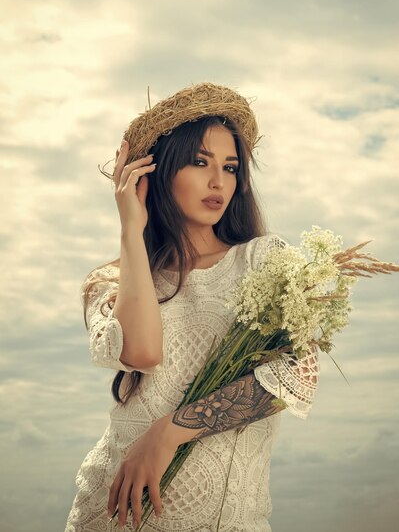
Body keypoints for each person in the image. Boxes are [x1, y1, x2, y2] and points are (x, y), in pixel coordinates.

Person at [64, 82, 320, 532]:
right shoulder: (108, 282)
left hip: (225, 519)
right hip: (113, 513)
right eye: (199, 162)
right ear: (155, 173)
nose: (218, 181)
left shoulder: (266, 260)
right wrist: (131, 230)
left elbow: (295, 377)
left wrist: (169, 433)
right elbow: (142, 353)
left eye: (230, 167)